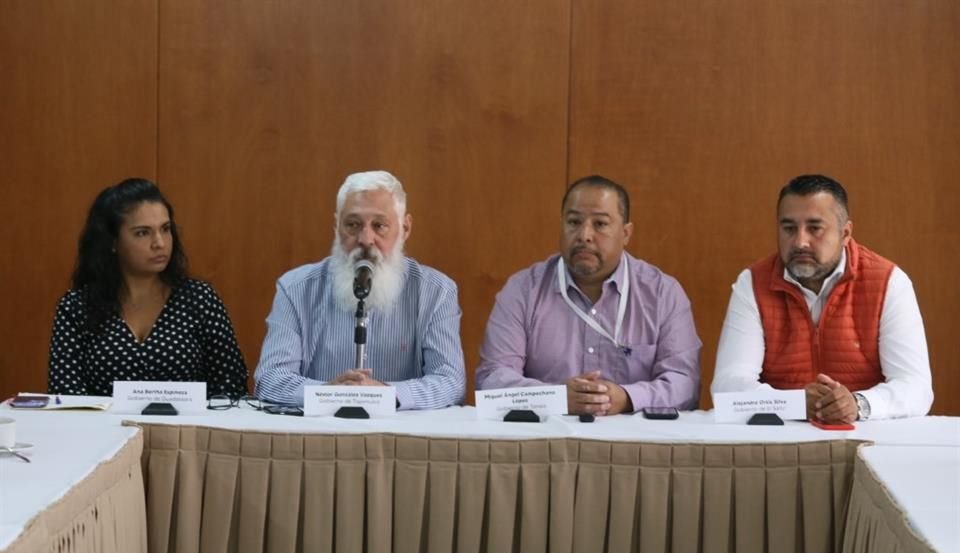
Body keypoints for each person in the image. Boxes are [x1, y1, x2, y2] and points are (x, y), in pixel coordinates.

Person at [711, 174, 933, 423]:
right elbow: (727, 387)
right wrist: (793, 404)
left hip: (867, 437)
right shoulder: (752, 283)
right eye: (789, 228)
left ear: (845, 233)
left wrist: (858, 404)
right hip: (780, 440)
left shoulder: (888, 281)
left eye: (815, 228)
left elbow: (916, 387)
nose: (800, 242)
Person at [475, 175, 702, 416]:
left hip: (636, 444)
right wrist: (555, 399)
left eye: (600, 224)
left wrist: (627, 398)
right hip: (546, 442)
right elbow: (491, 378)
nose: (584, 235)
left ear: (626, 233)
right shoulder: (523, 289)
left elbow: (684, 383)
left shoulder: (661, 293)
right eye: (573, 222)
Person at [254, 170, 465, 409]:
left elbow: (450, 382)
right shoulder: (295, 288)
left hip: (400, 437)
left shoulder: (436, 292)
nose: (366, 239)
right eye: (353, 225)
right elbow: (270, 378)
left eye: (379, 225)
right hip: (321, 435)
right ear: (336, 226)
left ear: (405, 228)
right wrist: (328, 394)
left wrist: (386, 394)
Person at [48, 178, 248, 398]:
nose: (160, 243)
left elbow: (231, 384)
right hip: (103, 431)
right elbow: (66, 393)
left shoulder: (199, 299)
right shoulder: (77, 306)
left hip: (187, 430)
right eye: (143, 233)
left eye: (165, 229)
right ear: (113, 242)